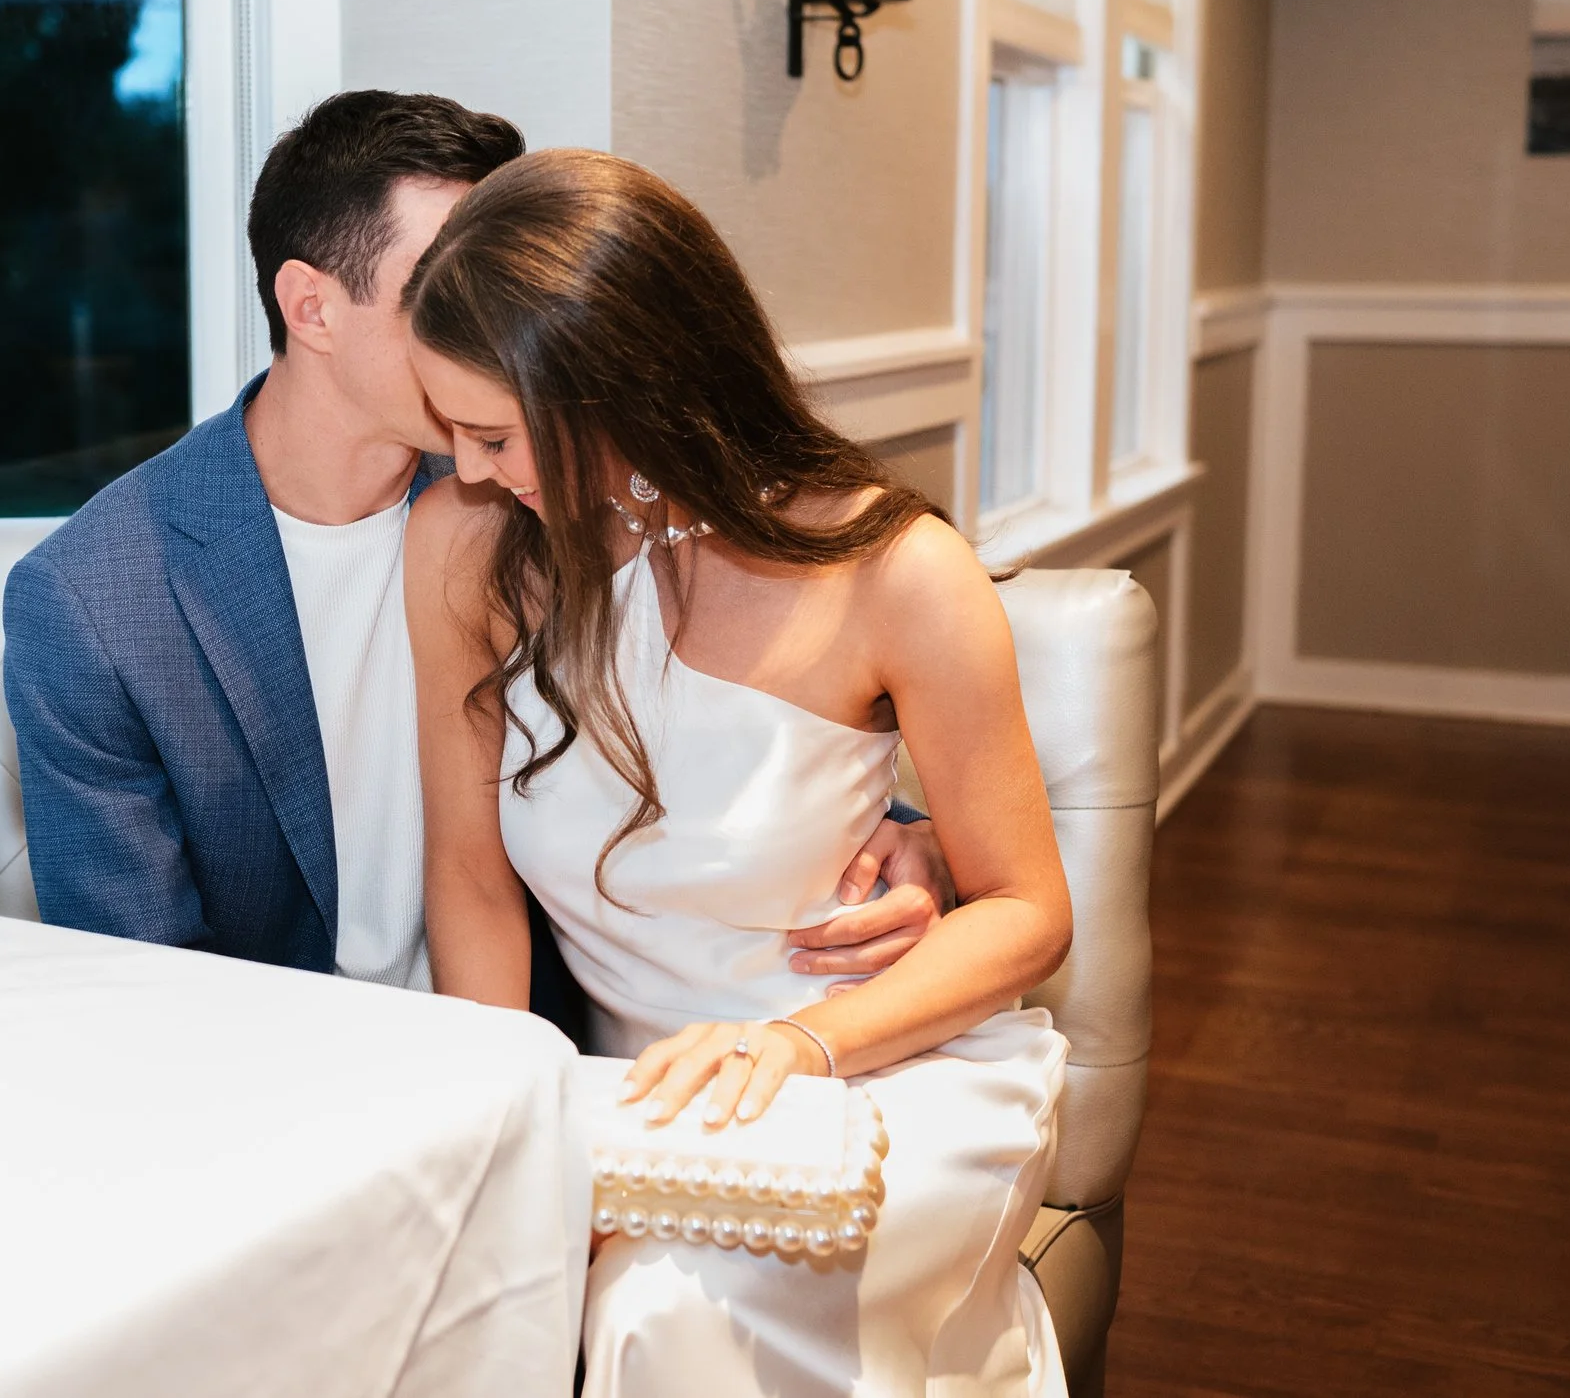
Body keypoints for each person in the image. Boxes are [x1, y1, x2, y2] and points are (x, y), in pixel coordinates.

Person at [3, 90, 951, 1017]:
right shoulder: (94, 603)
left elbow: (733, 721)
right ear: (313, 308)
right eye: (441, 290)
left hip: (551, 1041)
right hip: (279, 1086)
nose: (489, 325)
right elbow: (140, 999)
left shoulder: (548, 493)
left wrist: (917, 839)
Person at [403, 148, 1074, 1396]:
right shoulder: (466, 552)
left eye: (494, 432)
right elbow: (470, 876)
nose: (469, 468)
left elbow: (1031, 913)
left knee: (661, 1309)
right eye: (450, 429)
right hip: (638, 1101)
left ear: (616, 387)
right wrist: (510, 1132)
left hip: (878, 1078)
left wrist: (803, 1047)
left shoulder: (896, 571)